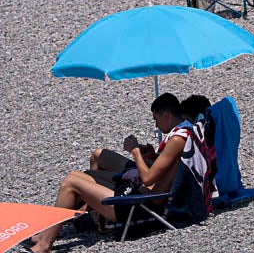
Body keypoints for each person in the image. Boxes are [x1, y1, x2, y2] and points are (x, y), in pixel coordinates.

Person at [29, 93, 206, 253]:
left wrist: (135, 151)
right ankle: (49, 232)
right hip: (141, 198)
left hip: (140, 206)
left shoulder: (177, 139)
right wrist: (152, 157)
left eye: (156, 119)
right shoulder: (184, 134)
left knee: (71, 182)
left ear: (167, 115)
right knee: (79, 175)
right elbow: (164, 170)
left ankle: (45, 244)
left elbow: (149, 178)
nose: (156, 125)